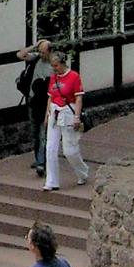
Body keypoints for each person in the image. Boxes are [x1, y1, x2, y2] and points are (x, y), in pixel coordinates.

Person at [44, 53, 89, 192]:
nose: (54, 69)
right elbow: (50, 97)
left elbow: (78, 99)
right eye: (52, 66)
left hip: (68, 113)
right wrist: (47, 114)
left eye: (56, 66)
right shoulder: (53, 78)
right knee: (50, 148)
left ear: (63, 63)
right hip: (54, 112)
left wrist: (77, 117)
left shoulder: (74, 76)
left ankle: (83, 172)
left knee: (69, 150)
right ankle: (51, 181)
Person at [16, 39, 52, 176]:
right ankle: (38, 158)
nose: (41, 54)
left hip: (44, 104)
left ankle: (41, 163)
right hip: (32, 101)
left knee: (43, 134)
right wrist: (34, 46)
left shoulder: (53, 65)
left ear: (50, 51)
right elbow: (20, 55)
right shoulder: (36, 58)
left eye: (43, 52)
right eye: (40, 51)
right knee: (35, 133)